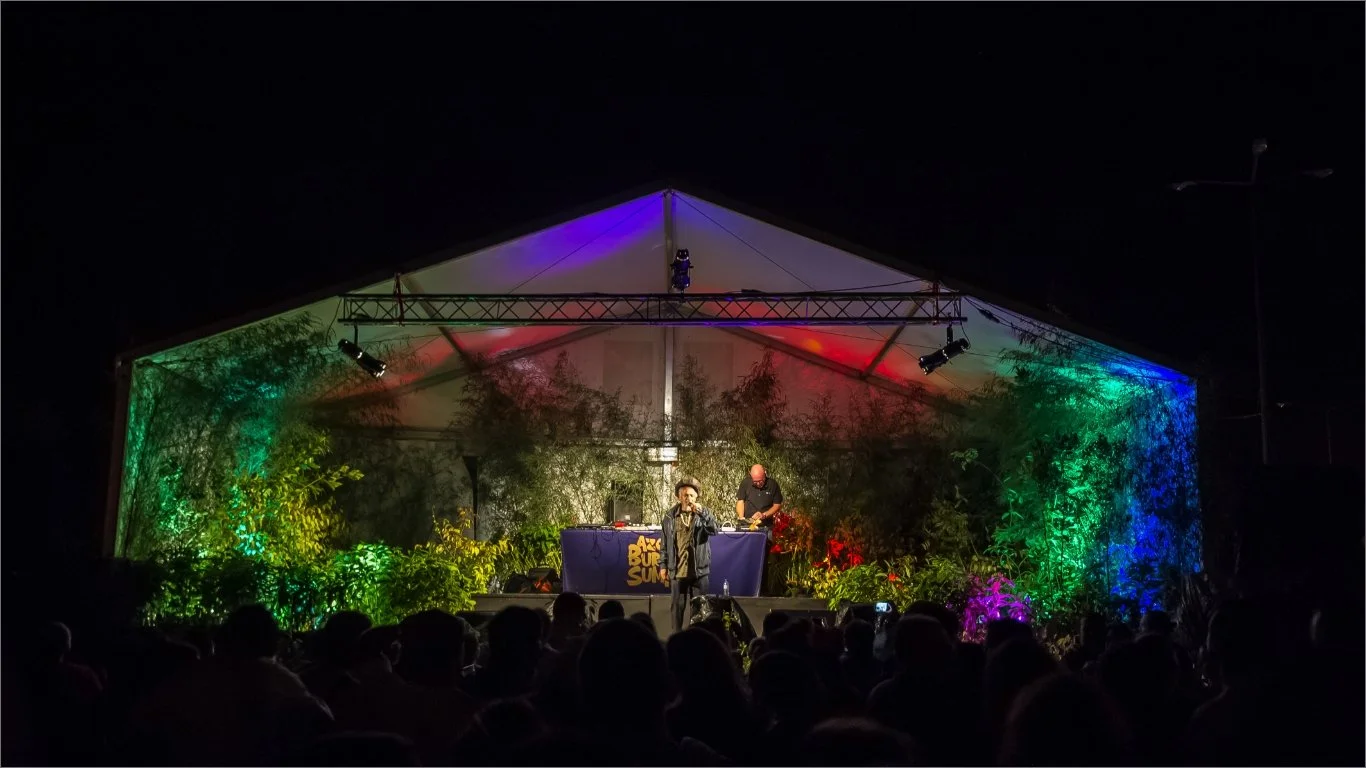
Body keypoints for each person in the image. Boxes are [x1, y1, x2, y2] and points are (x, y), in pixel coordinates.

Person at [660, 477, 720, 634]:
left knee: (700, 610)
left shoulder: (703, 514)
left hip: (699, 571)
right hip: (677, 570)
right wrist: (663, 565)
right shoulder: (669, 516)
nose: (689, 499)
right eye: (685, 495)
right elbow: (664, 543)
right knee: (677, 609)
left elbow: (714, 530)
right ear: (679, 497)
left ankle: (699, 638)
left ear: (696, 497)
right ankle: (676, 638)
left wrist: (703, 513)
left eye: (692, 495)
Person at [736, 464, 783, 531]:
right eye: (755, 482)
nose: (758, 484)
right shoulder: (745, 483)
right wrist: (741, 517)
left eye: (760, 481)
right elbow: (740, 501)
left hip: (766, 526)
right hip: (748, 525)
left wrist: (764, 515)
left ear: (765, 474)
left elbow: (777, 505)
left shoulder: (773, 484)